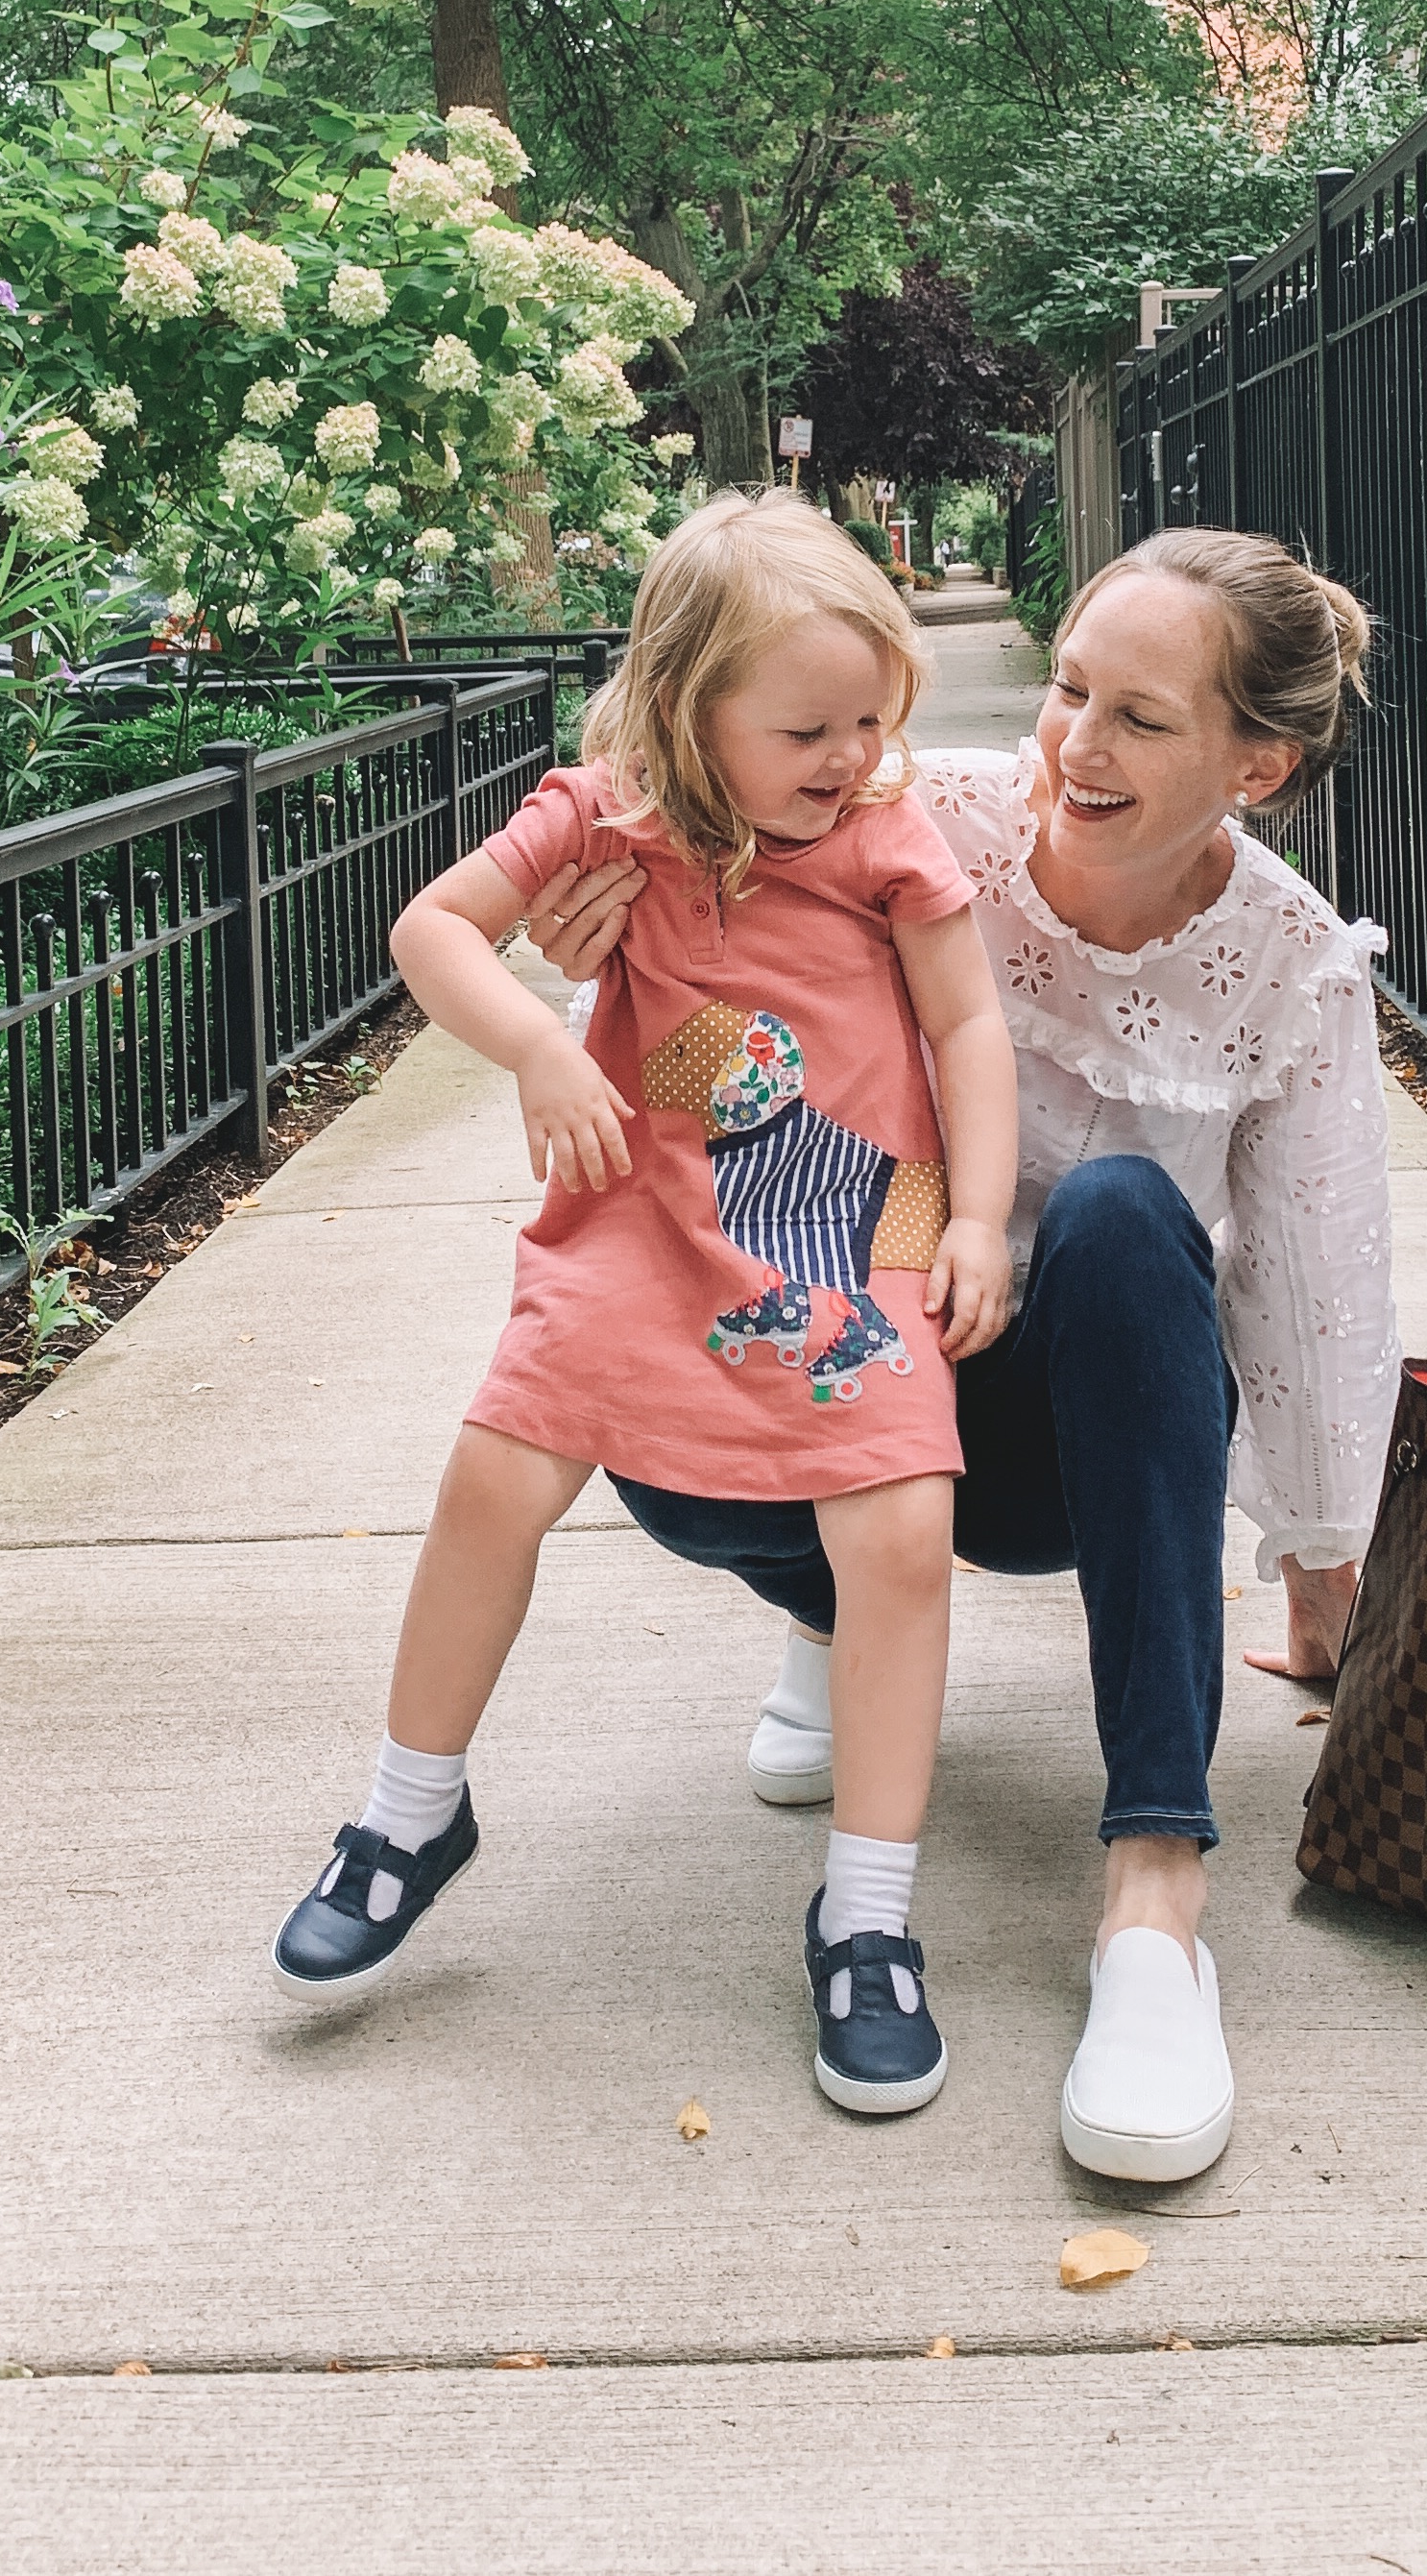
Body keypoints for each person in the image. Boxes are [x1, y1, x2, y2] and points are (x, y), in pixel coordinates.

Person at [527, 526, 1400, 2182]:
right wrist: (596, 932)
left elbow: (1313, 1286)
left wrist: (1323, 1563)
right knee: (648, 1400)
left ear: (1257, 765)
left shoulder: (1289, 965)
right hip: (844, 1368)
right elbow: (691, 759)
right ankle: (833, 1617)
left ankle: (1155, 1899)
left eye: (1143, 718)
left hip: (1086, 1434)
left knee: (1129, 1217)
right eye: (1070, 688)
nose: (1075, 741)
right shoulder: (914, 817)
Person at [270, 494, 1018, 2123]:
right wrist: (542, 1043)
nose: (851, 753)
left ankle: (869, 1918)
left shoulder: (888, 835)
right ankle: (410, 1812)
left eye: (875, 716)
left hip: (846, 1225)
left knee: (895, 1533)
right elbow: (429, 929)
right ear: (687, 710)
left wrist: (976, 1219)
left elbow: (967, 1031)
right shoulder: (602, 814)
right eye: (807, 727)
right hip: (631, 1216)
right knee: (494, 1473)